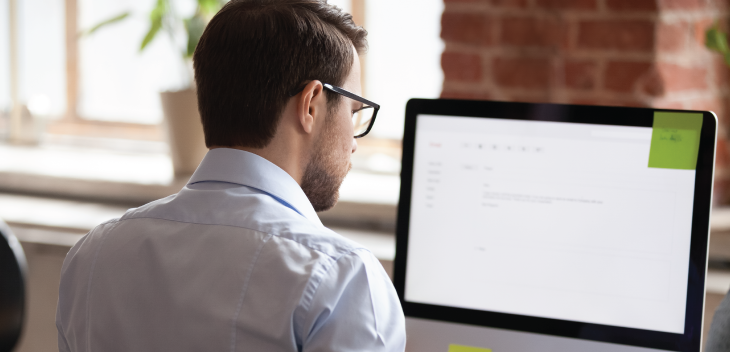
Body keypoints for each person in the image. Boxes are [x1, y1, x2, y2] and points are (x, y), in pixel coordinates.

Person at [55, 1, 406, 351]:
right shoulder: (343, 281)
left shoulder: (92, 257)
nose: (354, 145)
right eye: (355, 111)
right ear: (311, 104)